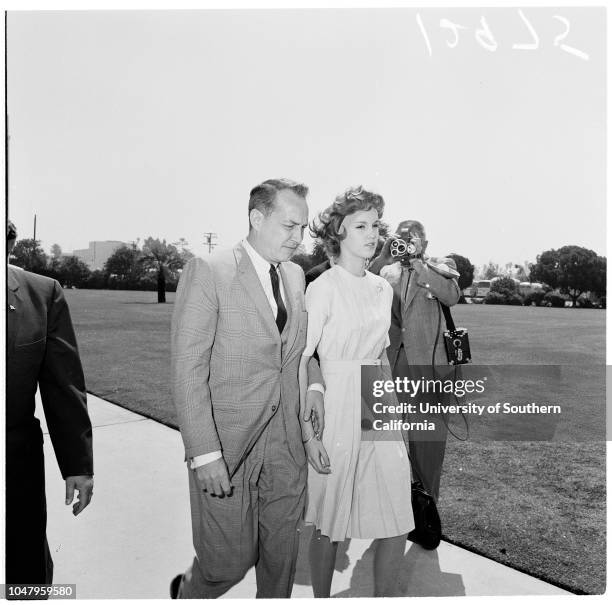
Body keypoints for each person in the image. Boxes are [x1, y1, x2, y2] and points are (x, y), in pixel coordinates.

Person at [170, 178, 325, 599]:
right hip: (229, 446)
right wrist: (205, 454)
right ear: (257, 218)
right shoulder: (210, 270)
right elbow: (188, 368)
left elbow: (296, 355)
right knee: (227, 564)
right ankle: (187, 590)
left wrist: (313, 392)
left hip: (286, 447)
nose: (298, 238)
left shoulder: (294, 276)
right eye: (290, 226)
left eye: (303, 228)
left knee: (281, 562)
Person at [299, 187, 414, 598]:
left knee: (398, 510)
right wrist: (310, 435)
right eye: (360, 226)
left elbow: (381, 355)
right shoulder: (323, 287)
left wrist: (394, 416)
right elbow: (304, 358)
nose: (372, 233)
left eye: (375, 225)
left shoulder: (383, 289)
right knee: (329, 519)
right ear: (338, 234)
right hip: (335, 397)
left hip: (376, 396)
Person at [5, 220, 94, 590]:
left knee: (24, 573)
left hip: (15, 465)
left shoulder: (42, 294)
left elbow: (63, 386)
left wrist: (78, 465)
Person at [369, 220, 460, 538]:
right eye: (402, 237)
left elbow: (451, 295)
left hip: (427, 369)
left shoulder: (441, 266)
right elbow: (363, 289)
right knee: (383, 442)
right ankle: (389, 508)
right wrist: (382, 255)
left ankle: (426, 513)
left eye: (414, 238)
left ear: (425, 240)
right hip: (389, 365)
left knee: (428, 445)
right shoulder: (385, 270)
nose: (407, 242)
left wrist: (419, 262)